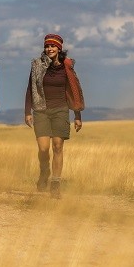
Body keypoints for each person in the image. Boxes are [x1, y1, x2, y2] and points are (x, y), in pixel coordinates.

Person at [24, 33, 84, 199]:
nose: (49, 49)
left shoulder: (67, 67)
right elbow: (30, 88)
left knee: (57, 146)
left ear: (59, 48)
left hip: (60, 110)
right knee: (43, 149)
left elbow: (74, 91)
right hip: (41, 110)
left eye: (52, 46)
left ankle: (55, 183)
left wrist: (77, 115)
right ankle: (44, 171)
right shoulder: (37, 65)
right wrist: (27, 112)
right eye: (47, 46)